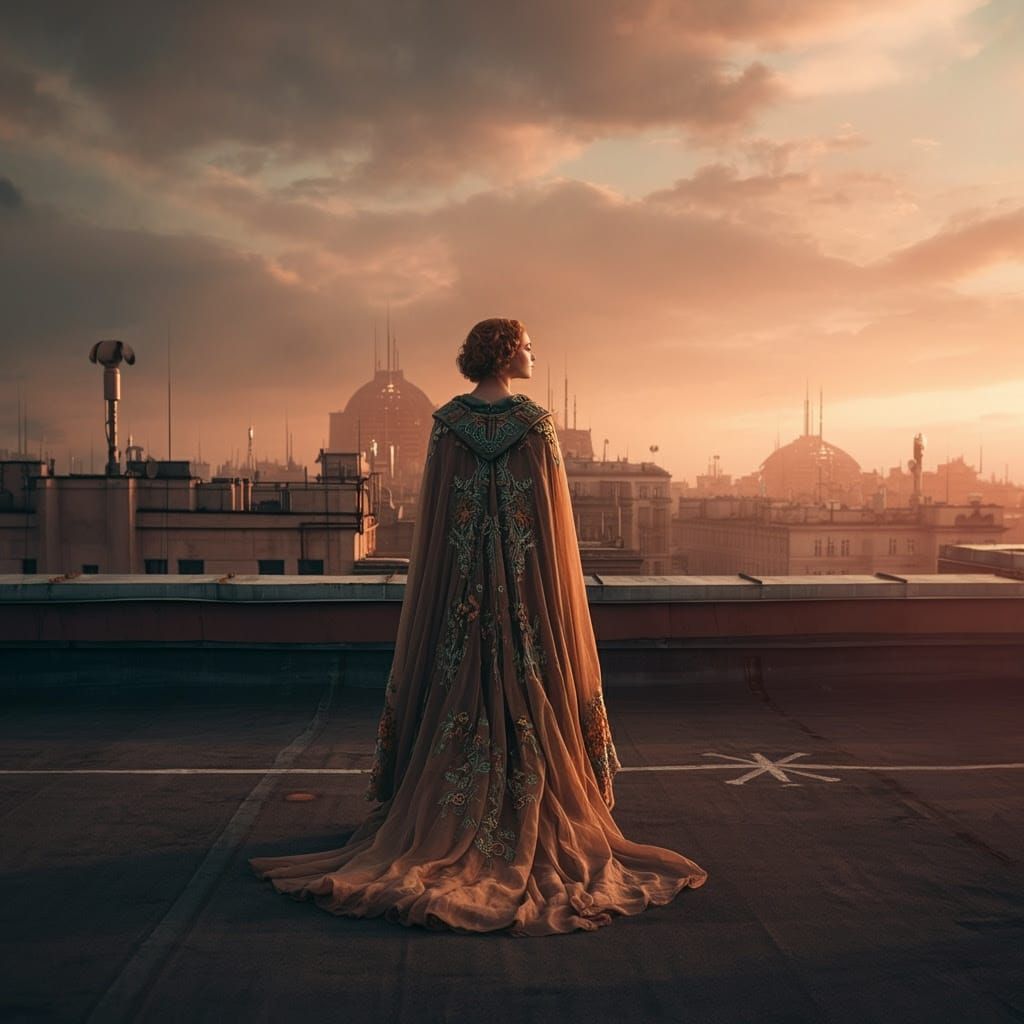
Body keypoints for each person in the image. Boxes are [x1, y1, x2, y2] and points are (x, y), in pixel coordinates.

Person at [249, 318, 707, 935]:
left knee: (456, 686)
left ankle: (436, 812)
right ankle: (528, 812)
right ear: (507, 352)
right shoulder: (536, 425)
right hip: (526, 594)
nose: (534, 352)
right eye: (527, 344)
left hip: (461, 594)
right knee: (533, 685)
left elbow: (436, 525)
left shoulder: (447, 425)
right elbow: (552, 527)